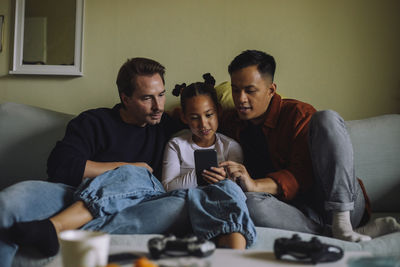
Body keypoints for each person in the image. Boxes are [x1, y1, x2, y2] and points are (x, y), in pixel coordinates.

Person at [0, 58, 255, 267]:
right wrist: (123, 166)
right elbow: (60, 166)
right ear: (125, 98)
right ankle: (59, 227)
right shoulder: (94, 122)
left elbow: (208, 115)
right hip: (68, 196)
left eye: (162, 95)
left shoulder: (165, 125)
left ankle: (61, 230)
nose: (158, 106)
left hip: (135, 206)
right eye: (147, 98)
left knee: (156, 179)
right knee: (7, 204)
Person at [218, 50, 400, 242]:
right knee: (249, 203)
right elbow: (195, 115)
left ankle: (342, 224)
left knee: (326, 117)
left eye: (250, 90)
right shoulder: (233, 121)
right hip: (297, 214)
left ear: (271, 90)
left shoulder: (298, 114)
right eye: (235, 90)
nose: (241, 99)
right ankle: (334, 234)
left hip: (342, 204)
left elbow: (303, 174)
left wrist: (255, 184)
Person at [161, 73, 249, 248]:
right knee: (173, 202)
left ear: (218, 113)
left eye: (209, 115)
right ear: (184, 118)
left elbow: (237, 189)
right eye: (194, 118)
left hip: (218, 203)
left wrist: (224, 179)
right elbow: (166, 187)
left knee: (229, 191)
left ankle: (229, 241)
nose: (203, 124)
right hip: (184, 204)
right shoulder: (176, 145)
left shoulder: (231, 147)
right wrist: (202, 173)